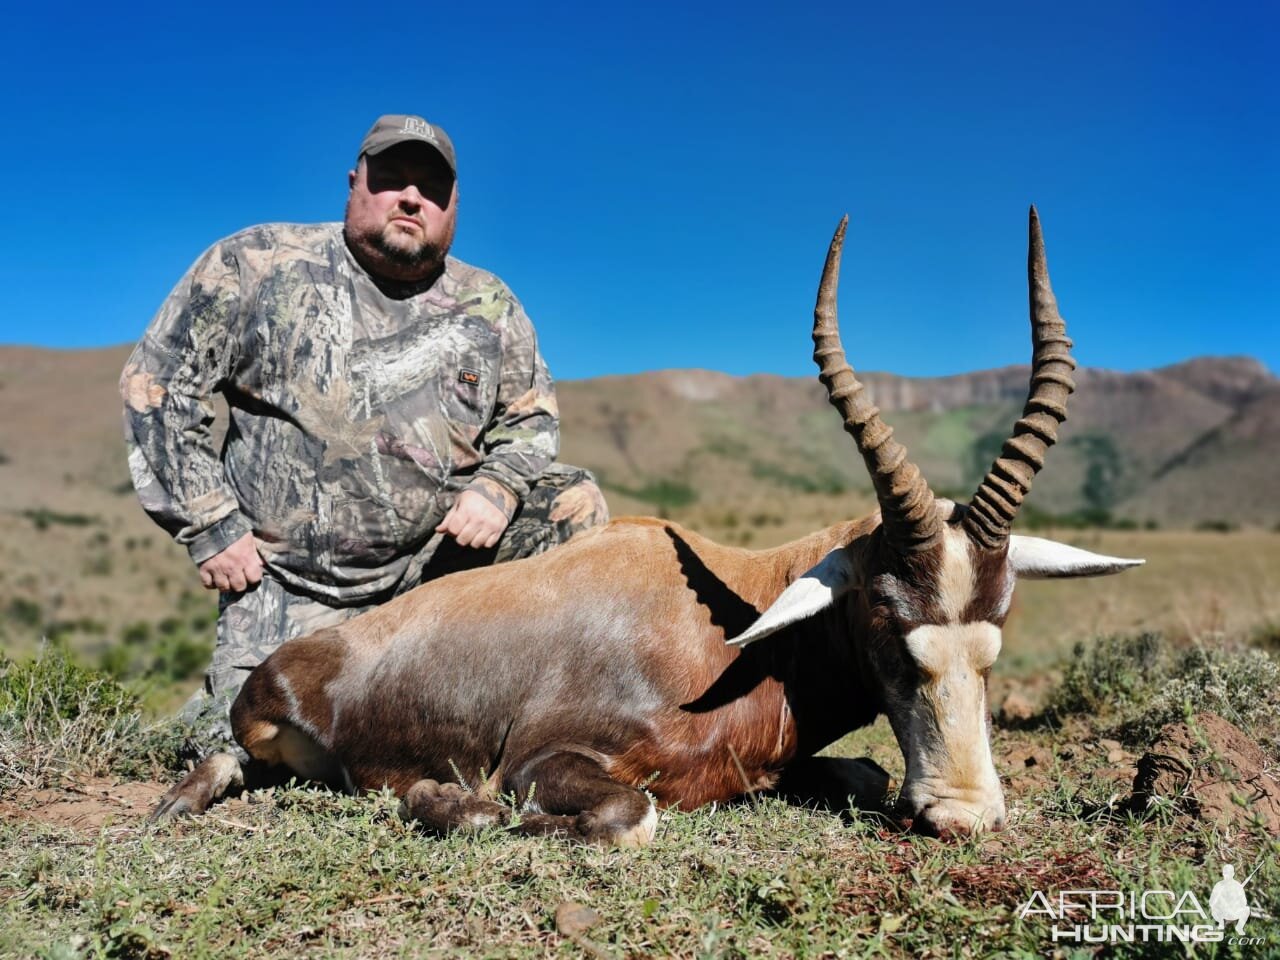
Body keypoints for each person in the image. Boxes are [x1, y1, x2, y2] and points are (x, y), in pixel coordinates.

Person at [121, 114, 608, 757]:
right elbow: (157, 387)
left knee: (571, 502)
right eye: (392, 179)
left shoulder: (491, 304)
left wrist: (497, 486)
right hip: (291, 580)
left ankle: (556, 729)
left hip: (440, 574)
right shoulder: (256, 262)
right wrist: (211, 524)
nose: (411, 198)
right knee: (249, 744)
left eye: (431, 188)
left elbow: (530, 421)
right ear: (354, 184)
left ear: (453, 207)